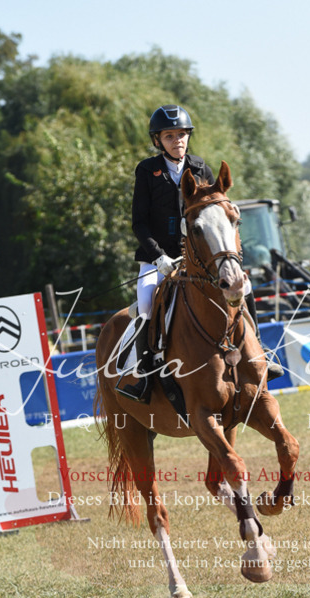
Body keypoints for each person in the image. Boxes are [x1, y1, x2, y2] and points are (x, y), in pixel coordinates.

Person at [118, 105, 280, 402]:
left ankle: (261, 352)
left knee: (243, 287)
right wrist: (158, 257)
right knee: (146, 303)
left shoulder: (200, 166)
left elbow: (213, 212)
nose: (177, 141)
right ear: (158, 140)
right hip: (159, 259)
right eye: (169, 136)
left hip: (200, 257)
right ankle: (144, 372)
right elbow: (139, 223)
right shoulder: (147, 171)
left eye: (181, 135)